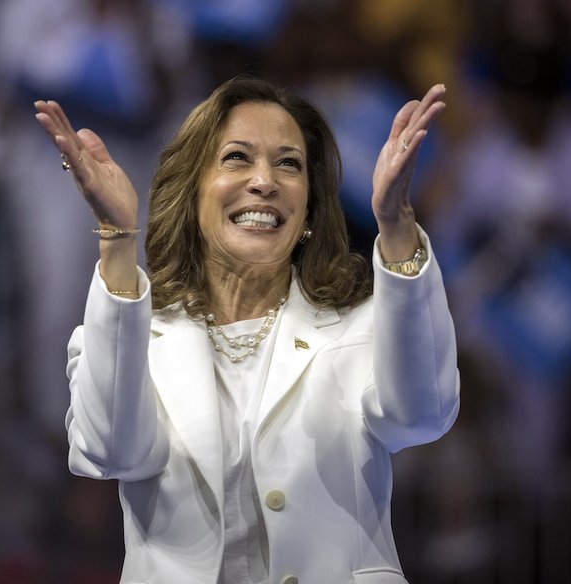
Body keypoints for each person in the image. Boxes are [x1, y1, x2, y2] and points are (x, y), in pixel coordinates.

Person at [33, 76, 460, 583]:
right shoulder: (129, 335)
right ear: (192, 196)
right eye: (237, 157)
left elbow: (423, 415)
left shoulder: (360, 326)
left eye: (288, 163)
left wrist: (396, 222)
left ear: (307, 210)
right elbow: (110, 450)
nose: (265, 181)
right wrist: (118, 242)